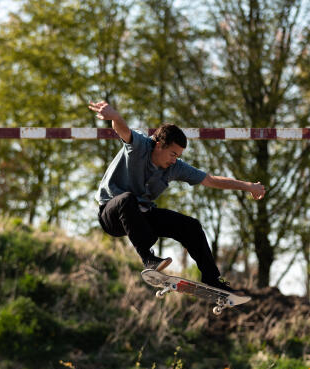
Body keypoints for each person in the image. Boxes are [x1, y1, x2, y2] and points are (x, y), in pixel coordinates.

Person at [89, 100, 265, 293]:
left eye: (178, 155)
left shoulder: (175, 167)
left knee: (191, 226)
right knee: (127, 199)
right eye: (172, 154)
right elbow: (123, 130)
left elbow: (211, 180)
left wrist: (247, 186)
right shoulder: (140, 146)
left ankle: (212, 279)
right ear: (157, 145)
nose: (174, 160)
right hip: (111, 215)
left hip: (141, 217)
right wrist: (115, 116)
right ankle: (149, 260)